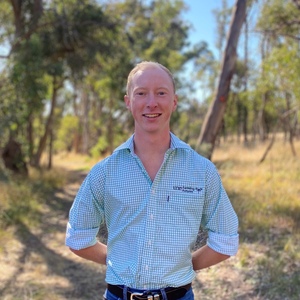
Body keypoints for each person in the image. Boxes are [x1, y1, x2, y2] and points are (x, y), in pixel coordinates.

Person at [65, 61, 239, 300]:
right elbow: (77, 238)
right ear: (128, 102)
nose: (151, 102)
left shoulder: (202, 171)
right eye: (141, 93)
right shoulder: (104, 172)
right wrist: (120, 260)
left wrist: (182, 266)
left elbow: (226, 241)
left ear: (174, 101)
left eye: (161, 93)